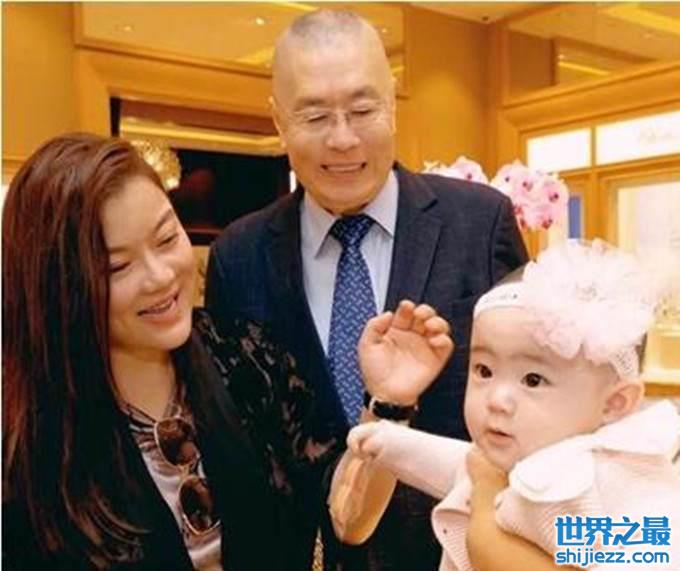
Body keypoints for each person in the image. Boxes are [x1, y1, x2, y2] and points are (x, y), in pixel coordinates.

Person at [2, 133, 454, 570]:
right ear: (58, 286)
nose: (161, 276)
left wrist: (388, 405)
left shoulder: (246, 358)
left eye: (166, 239)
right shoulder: (24, 437)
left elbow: (347, 519)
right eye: (118, 266)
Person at [205, 9, 528, 568]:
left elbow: (535, 395)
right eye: (314, 116)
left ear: (392, 104)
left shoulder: (480, 224)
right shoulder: (240, 255)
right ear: (279, 120)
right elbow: (239, 436)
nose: (343, 138)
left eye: (362, 110)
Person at [339, 239, 680, 570]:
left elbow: (652, 549)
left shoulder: (609, 482)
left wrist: (487, 514)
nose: (497, 400)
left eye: (533, 380)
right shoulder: (527, 457)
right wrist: (391, 442)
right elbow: (470, 468)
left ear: (614, 404)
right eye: (484, 371)